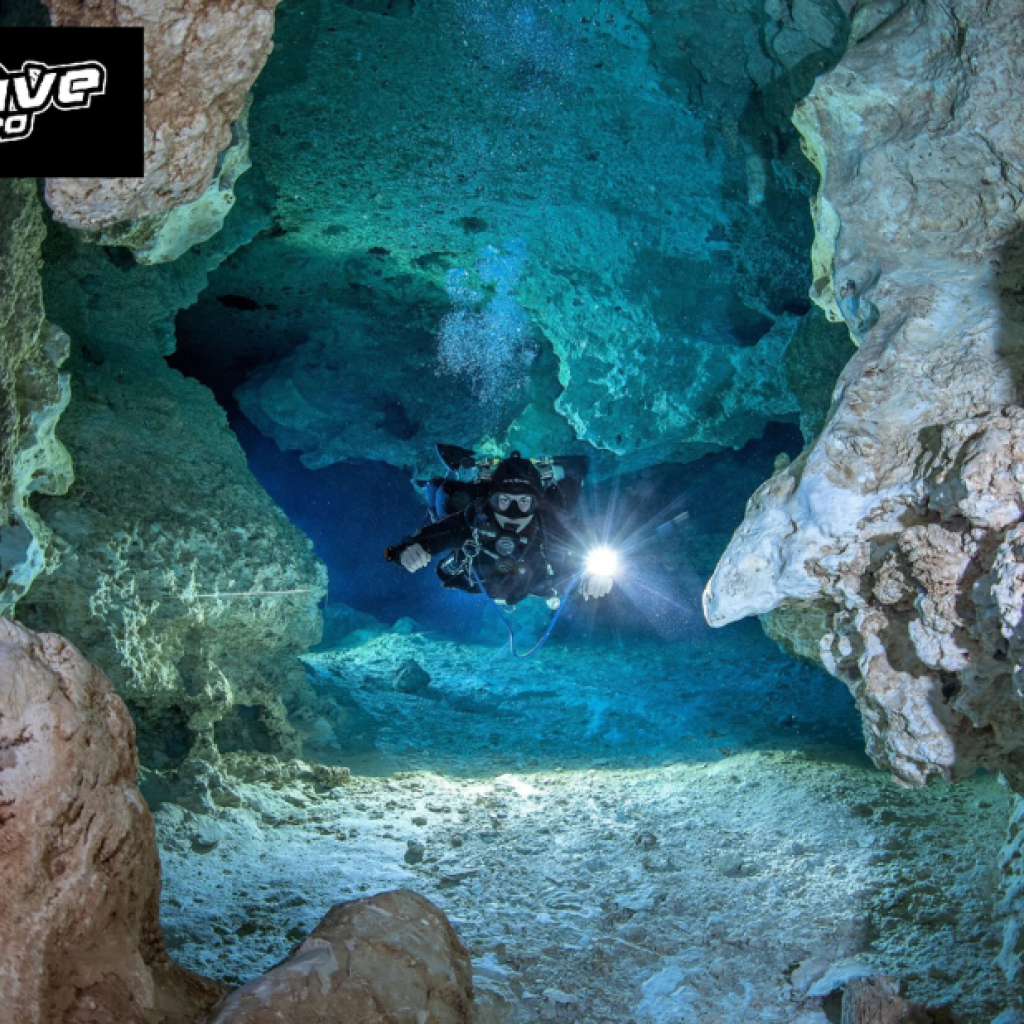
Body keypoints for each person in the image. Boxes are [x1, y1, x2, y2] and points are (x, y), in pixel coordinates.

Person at [386, 454, 613, 609]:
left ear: (536, 503)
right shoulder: (475, 520)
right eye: (504, 501)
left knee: (563, 503)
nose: (514, 513)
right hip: (517, 581)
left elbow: (591, 545)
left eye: (524, 502)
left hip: (532, 581)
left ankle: (567, 475)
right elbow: (427, 538)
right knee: (446, 500)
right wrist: (404, 551)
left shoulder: (547, 523)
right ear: (491, 501)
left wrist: (597, 574)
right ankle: (430, 484)